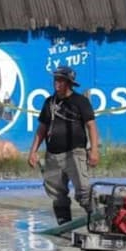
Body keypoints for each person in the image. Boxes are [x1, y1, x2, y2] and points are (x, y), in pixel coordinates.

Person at [27, 66, 100, 225]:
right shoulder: (49, 103)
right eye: (55, 80)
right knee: (56, 193)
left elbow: (91, 126)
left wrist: (94, 150)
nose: (56, 84)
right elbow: (42, 129)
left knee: (83, 191)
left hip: (75, 153)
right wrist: (33, 151)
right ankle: (64, 224)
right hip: (53, 155)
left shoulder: (81, 101)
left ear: (69, 83)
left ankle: (97, 220)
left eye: (60, 81)